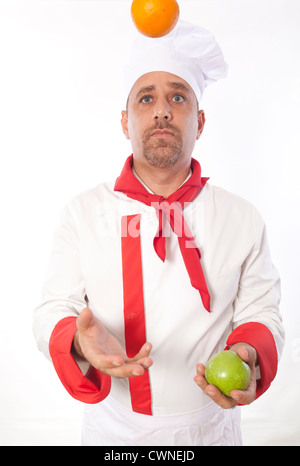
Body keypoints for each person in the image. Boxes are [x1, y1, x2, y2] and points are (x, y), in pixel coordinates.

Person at [33, 20, 284, 446]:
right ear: (125, 122)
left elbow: (263, 313)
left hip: (210, 431)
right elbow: (53, 308)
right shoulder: (82, 213)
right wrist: (77, 338)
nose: (162, 110)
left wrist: (247, 354)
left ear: (200, 121)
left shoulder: (242, 218)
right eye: (146, 98)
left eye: (177, 97)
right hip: (113, 433)